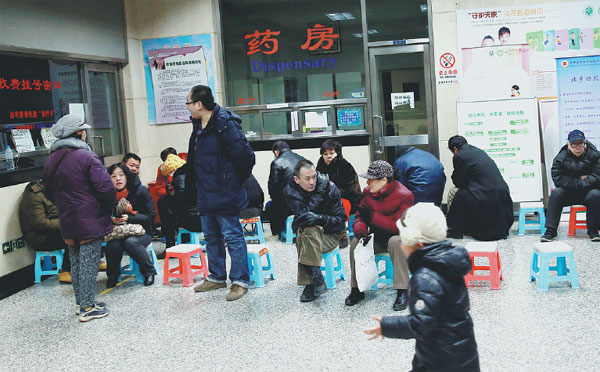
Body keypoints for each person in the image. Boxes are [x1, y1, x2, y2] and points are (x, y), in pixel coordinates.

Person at [364, 203, 480, 372]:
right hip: (459, 349)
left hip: (441, 359)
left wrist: (387, 326)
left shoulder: (425, 277)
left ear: (415, 243)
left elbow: (421, 324)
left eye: (403, 239)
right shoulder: (447, 263)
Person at [185, 84, 255, 302]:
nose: (187, 107)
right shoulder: (198, 125)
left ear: (199, 104)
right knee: (212, 237)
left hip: (225, 191)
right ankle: (216, 276)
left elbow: (246, 157)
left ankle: (240, 281)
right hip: (205, 192)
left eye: (189, 103)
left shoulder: (225, 123)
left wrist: (231, 181)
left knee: (233, 237)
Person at [43, 114, 115, 322]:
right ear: (79, 133)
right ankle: (87, 307)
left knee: (75, 261)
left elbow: (48, 191)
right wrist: (109, 207)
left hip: (67, 217)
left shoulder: (51, 159)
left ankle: (81, 302)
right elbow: (105, 188)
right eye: (84, 130)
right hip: (90, 217)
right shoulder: (86, 156)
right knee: (89, 263)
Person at [345, 160, 414, 311]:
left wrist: (372, 216)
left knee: (396, 242)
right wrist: (361, 230)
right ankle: (357, 289)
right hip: (377, 236)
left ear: (384, 180)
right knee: (356, 243)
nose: (368, 182)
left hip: (399, 236)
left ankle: (402, 291)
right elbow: (359, 217)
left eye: (371, 179)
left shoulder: (405, 196)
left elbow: (398, 226)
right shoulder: (368, 193)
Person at [283, 160, 347, 302]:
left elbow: (341, 220)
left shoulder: (329, 187)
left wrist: (320, 218)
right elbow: (304, 216)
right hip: (308, 234)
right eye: (307, 178)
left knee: (307, 232)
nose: (312, 182)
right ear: (296, 179)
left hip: (331, 235)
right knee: (308, 230)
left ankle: (312, 281)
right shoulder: (291, 191)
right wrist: (318, 193)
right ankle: (316, 277)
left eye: (314, 177)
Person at [446, 135, 513, 240]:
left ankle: (453, 229)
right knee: (464, 193)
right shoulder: (479, 151)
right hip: (501, 195)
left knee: (453, 192)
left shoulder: (460, 156)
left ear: (455, 149)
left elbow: (458, 181)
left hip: (484, 196)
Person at [104, 164, 157, 288]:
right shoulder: (107, 195)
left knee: (131, 242)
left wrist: (130, 218)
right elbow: (100, 216)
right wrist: (111, 219)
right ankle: (113, 276)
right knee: (112, 246)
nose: (118, 179)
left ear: (127, 176)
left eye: (121, 175)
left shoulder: (140, 191)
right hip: (118, 232)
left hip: (142, 232)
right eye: (113, 176)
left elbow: (151, 216)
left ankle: (149, 272)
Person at [542, 130, 600, 242]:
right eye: (574, 144)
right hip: (569, 192)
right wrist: (580, 180)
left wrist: (577, 182)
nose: (577, 147)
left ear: (585, 143)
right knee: (556, 193)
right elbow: (558, 179)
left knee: (595, 194)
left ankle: (593, 231)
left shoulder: (595, 155)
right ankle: (550, 230)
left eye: (580, 143)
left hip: (589, 192)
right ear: (569, 144)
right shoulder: (560, 158)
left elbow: (597, 176)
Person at [19, 180, 71, 283]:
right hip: (39, 238)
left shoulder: (47, 193)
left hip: (50, 232)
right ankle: (65, 270)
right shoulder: (32, 197)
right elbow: (40, 223)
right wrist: (65, 222)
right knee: (73, 235)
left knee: (85, 228)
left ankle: (90, 263)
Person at [267, 140, 305, 236]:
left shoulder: (277, 162)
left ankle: (278, 233)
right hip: (305, 200)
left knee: (270, 206)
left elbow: (273, 186)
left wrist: (274, 198)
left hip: (286, 204)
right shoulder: (302, 159)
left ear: (276, 152)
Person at [156, 149, 186, 247]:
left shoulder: (185, 165)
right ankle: (170, 243)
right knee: (162, 204)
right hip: (172, 199)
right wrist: (169, 192)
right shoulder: (163, 169)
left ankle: (185, 239)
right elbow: (159, 188)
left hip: (188, 200)